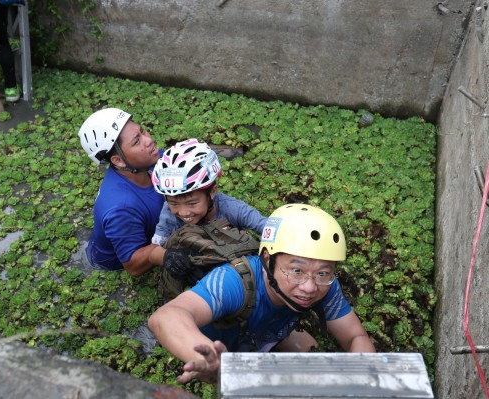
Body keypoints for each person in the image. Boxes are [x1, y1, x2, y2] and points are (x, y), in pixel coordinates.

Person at [148, 203, 376, 384]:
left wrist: (362, 382)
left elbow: (355, 337)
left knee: (308, 351)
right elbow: (166, 317)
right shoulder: (234, 281)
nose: (309, 287)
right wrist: (209, 359)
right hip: (222, 348)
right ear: (268, 259)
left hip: (265, 332)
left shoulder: (324, 283)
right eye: (296, 270)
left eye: (323, 272)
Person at [148, 138, 267, 277]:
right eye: (174, 203)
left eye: (192, 203)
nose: (183, 212)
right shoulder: (168, 212)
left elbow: (268, 228)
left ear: (212, 192)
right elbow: (153, 251)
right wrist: (167, 256)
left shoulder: (232, 208)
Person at [78, 107, 163, 276]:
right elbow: (133, 266)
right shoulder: (122, 208)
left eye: (143, 131)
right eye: (137, 141)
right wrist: (176, 242)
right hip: (113, 268)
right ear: (118, 160)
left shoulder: (147, 162)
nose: (148, 140)